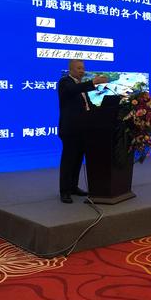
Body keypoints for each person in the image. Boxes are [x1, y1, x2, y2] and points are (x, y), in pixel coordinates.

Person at [58, 59, 107, 203]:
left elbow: (88, 106)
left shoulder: (81, 86)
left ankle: (73, 187)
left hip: (83, 130)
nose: (82, 71)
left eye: (83, 68)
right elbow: (72, 90)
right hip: (70, 130)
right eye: (79, 68)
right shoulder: (65, 82)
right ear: (71, 69)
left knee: (78, 160)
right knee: (68, 161)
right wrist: (93, 82)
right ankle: (64, 191)